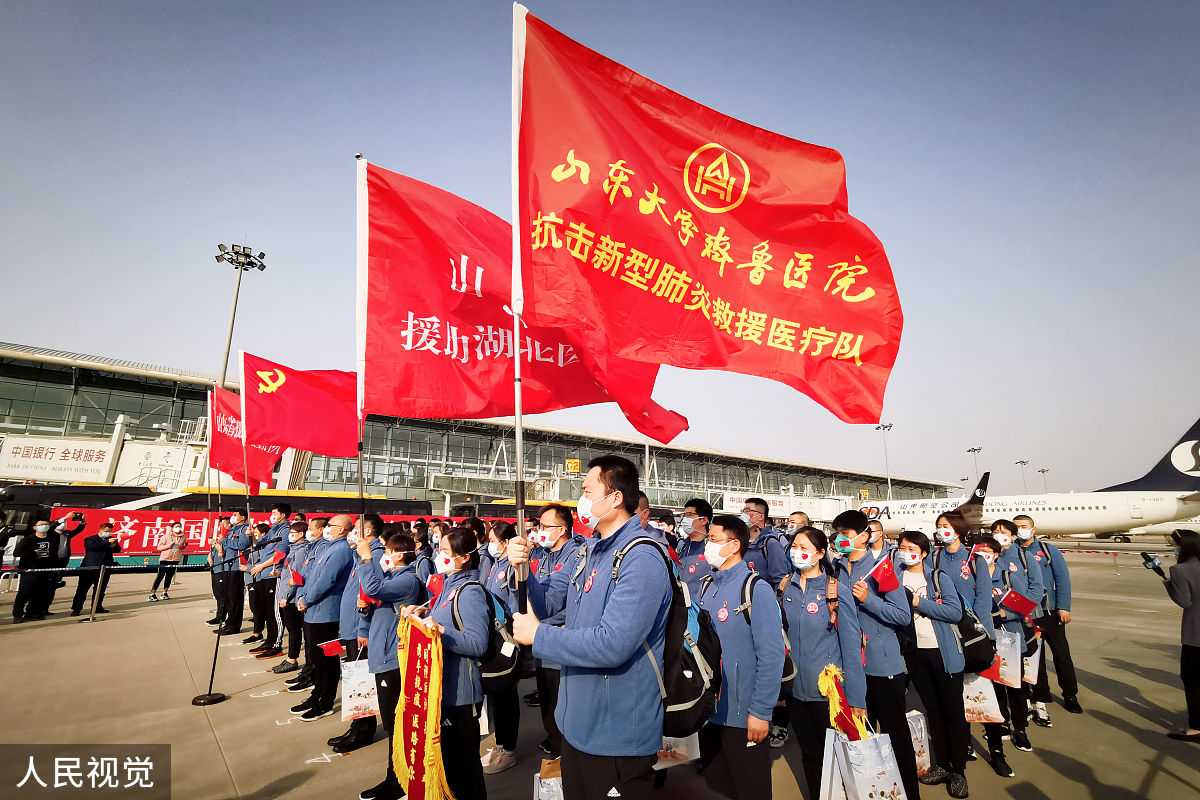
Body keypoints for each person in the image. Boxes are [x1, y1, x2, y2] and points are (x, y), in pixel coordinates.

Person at [510, 455, 673, 800]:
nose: (581, 499)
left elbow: (613, 644)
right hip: (577, 725)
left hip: (616, 734)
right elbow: (550, 604)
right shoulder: (590, 552)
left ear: (615, 498)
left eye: (587, 490)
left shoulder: (641, 558)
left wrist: (538, 635)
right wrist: (521, 570)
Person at [832, 509, 921, 799]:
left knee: (895, 736)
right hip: (851, 667)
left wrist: (868, 599)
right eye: (838, 533)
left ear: (865, 537)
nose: (841, 539)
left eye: (846, 534)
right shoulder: (838, 569)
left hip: (883, 667)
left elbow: (902, 615)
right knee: (862, 737)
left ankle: (909, 792)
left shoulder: (883, 569)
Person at [695, 514, 786, 800]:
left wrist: (760, 711)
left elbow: (772, 656)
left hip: (743, 714)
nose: (707, 546)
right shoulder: (707, 585)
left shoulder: (755, 589)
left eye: (713, 540)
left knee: (750, 788)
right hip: (710, 713)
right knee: (718, 786)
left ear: (734, 545)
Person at [400, 526, 491, 800]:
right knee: (450, 765)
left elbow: (478, 643)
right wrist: (422, 612)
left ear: (464, 557)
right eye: (440, 551)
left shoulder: (470, 591)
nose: (440, 557)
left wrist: (440, 630)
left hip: (461, 694)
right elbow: (442, 614)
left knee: (465, 768)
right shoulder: (449, 583)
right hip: (442, 689)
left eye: (446, 553)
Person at [782, 526, 866, 800]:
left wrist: (856, 698)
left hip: (829, 694)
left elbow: (851, 647)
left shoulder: (834, 589)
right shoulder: (784, 587)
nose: (798, 552)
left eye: (804, 547)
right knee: (809, 755)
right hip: (796, 691)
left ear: (820, 553)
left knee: (839, 755)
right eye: (795, 546)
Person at [897, 531, 970, 799]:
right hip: (916, 654)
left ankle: (958, 770)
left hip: (943, 653)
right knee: (934, 712)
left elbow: (954, 611)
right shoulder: (895, 576)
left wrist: (918, 602)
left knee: (953, 713)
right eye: (902, 547)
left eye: (911, 548)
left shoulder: (938, 577)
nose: (905, 551)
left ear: (924, 552)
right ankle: (942, 764)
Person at [357, 532, 424, 800]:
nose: (382, 554)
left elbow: (373, 588)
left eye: (386, 550)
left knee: (395, 723)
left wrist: (365, 557)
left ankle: (397, 778)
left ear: (398, 554)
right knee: (392, 721)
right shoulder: (394, 578)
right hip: (382, 653)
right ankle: (396, 773)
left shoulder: (407, 579)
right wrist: (365, 606)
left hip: (392, 658)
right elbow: (374, 596)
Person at [528, 503, 583, 759]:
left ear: (561, 530)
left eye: (545, 526)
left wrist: (522, 572)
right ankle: (555, 746)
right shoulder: (545, 554)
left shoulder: (574, 555)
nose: (539, 531)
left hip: (559, 642)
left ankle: (564, 756)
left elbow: (548, 605)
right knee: (548, 705)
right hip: (541, 641)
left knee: (561, 706)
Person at [1014, 514, 1081, 721]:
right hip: (1027, 613)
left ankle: (1070, 695)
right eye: (1016, 527)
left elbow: (1062, 579)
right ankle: (1041, 696)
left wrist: (1064, 607)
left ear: (1033, 530)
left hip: (1050, 611)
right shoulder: (1012, 551)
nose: (1020, 530)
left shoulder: (1047, 551)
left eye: (1024, 526)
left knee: (1061, 654)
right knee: (1035, 658)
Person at [291, 514, 355, 721]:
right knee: (317, 659)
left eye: (331, 525)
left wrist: (307, 600)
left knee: (327, 661)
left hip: (326, 615)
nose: (327, 528)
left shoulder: (340, 550)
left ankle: (325, 702)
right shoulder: (328, 547)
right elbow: (311, 576)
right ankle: (316, 695)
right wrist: (302, 597)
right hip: (314, 612)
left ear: (342, 530)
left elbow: (326, 581)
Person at [329, 514, 384, 753]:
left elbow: (370, 595)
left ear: (369, 531)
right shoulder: (359, 553)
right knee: (354, 680)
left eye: (358, 528)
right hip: (352, 627)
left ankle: (363, 730)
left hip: (362, 630)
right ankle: (356, 725)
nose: (353, 532)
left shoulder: (375, 555)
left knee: (361, 682)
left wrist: (364, 627)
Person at [976, 530, 1029, 778]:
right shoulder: (972, 577)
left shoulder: (1006, 576)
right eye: (978, 552)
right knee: (993, 689)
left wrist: (1004, 614)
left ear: (997, 555)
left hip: (1009, 639)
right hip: (985, 642)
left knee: (1014, 688)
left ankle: (1021, 729)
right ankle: (1001, 724)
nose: (982, 555)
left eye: (987, 552)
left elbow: (1025, 607)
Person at [476, 519, 523, 774]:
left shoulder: (513, 568)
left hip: (507, 639)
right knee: (497, 695)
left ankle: (509, 749)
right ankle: (502, 744)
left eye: (493, 542)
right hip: (494, 640)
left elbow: (516, 604)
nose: (490, 546)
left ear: (505, 543)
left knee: (506, 694)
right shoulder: (496, 565)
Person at [284, 518, 328, 694]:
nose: (309, 531)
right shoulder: (314, 546)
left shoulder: (325, 548)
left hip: (315, 604)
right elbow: (305, 573)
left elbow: (321, 578)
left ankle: (311, 676)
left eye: (311, 528)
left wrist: (305, 598)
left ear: (321, 530)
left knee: (314, 646)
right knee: (309, 643)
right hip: (305, 598)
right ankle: (307, 673)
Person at [1164, 529, 1200, 742]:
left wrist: (1168, 584)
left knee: (1193, 682)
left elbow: (1184, 601)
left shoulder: (1180, 570)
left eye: (1175, 544)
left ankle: (1196, 728)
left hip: (1195, 636)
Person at [272, 521, 309, 675]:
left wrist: (286, 597)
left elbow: (297, 576)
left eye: (292, 533)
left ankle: (292, 660)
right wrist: (280, 573)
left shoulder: (301, 551)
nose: (289, 536)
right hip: (288, 595)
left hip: (291, 598)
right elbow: (289, 572)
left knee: (294, 630)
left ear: (300, 534)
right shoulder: (294, 549)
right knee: (293, 629)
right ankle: (291, 658)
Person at [13, 517, 63, 621]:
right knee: (24, 593)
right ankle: (17, 615)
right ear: (35, 527)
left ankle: (32, 613)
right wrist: (33, 552)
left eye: (46, 524)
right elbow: (17, 553)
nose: (43, 526)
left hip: (45, 571)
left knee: (40, 593)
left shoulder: (52, 538)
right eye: (40, 524)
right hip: (29, 571)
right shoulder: (28, 540)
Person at [70, 522, 122, 616]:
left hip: (104, 568)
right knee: (82, 589)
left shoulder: (111, 539)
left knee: (100, 590)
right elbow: (92, 547)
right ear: (100, 530)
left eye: (110, 531)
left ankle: (97, 607)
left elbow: (117, 550)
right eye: (106, 531)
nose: (108, 533)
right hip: (89, 568)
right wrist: (107, 542)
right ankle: (76, 609)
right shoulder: (90, 539)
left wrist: (114, 545)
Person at [214, 510, 251, 635]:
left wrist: (225, 541)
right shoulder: (233, 529)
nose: (233, 517)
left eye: (235, 515)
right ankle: (229, 623)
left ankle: (234, 626)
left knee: (235, 598)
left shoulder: (245, 529)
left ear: (243, 517)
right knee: (229, 597)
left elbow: (242, 544)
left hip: (237, 566)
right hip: (227, 566)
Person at [743, 498, 788, 590]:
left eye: (748, 511)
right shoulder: (740, 541)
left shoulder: (771, 544)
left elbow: (779, 580)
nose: (744, 514)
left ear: (760, 517)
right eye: (743, 510)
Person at [677, 498, 713, 593]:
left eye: (690, 515)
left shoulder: (712, 546)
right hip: (680, 603)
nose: (684, 519)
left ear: (704, 520)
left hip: (701, 604)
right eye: (684, 515)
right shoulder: (682, 545)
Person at [149, 521, 187, 601]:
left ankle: (164, 593)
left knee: (169, 577)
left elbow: (180, 549)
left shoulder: (183, 537)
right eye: (176, 527)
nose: (178, 528)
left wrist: (184, 546)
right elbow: (159, 548)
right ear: (172, 528)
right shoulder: (166, 537)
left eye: (179, 527)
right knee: (160, 576)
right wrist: (168, 546)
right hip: (165, 559)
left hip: (175, 559)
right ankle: (152, 593)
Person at [207, 517, 232, 626]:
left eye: (223, 524)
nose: (221, 526)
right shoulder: (221, 536)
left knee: (222, 595)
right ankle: (219, 614)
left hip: (223, 568)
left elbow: (222, 550)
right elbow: (214, 550)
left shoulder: (229, 536)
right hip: (215, 567)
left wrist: (215, 543)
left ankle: (221, 616)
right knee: (217, 594)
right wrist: (209, 556)